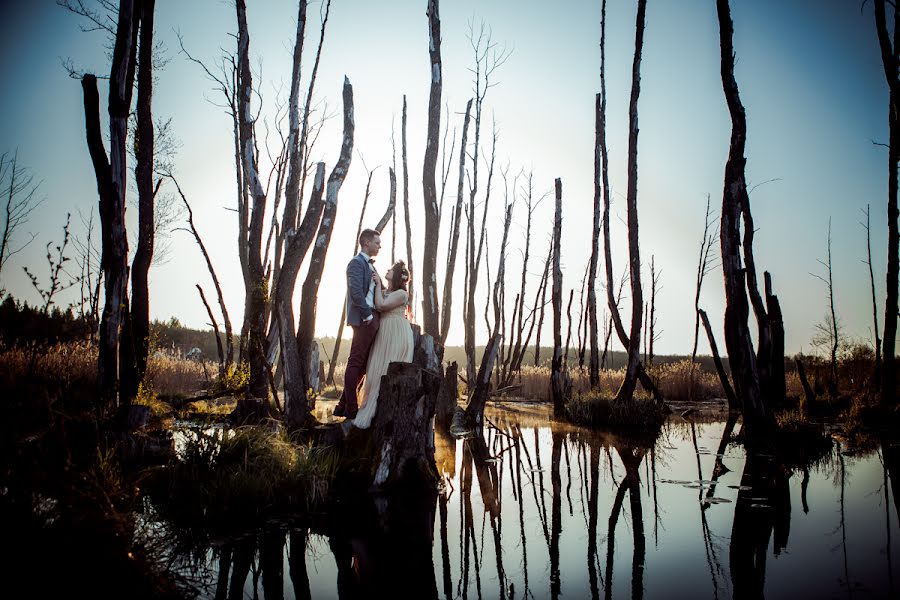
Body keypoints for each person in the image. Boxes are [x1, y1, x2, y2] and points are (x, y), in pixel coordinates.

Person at [352, 260, 414, 429]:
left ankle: (382, 414)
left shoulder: (402, 294)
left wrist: (378, 283)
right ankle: (368, 408)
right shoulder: (386, 291)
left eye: (390, 269)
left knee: (385, 370)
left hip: (397, 333)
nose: (387, 270)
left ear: (397, 276)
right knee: (374, 370)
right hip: (384, 333)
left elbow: (380, 305)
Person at [333, 229, 382, 419]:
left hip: (373, 318)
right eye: (377, 243)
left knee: (363, 365)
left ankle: (342, 405)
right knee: (355, 363)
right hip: (364, 319)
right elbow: (355, 292)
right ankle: (352, 409)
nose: (380, 246)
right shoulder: (356, 263)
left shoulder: (372, 266)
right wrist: (367, 317)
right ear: (367, 242)